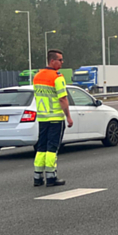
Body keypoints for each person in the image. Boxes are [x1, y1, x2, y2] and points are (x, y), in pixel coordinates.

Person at [32, 49, 74, 187]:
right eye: (60, 60)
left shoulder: (37, 76)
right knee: (52, 148)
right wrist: (68, 116)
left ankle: (37, 177)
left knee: (41, 148)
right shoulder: (57, 77)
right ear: (52, 61)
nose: (62, 62)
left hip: (43, 118)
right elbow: (62, 98)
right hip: (55, 118)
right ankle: (51, 177)